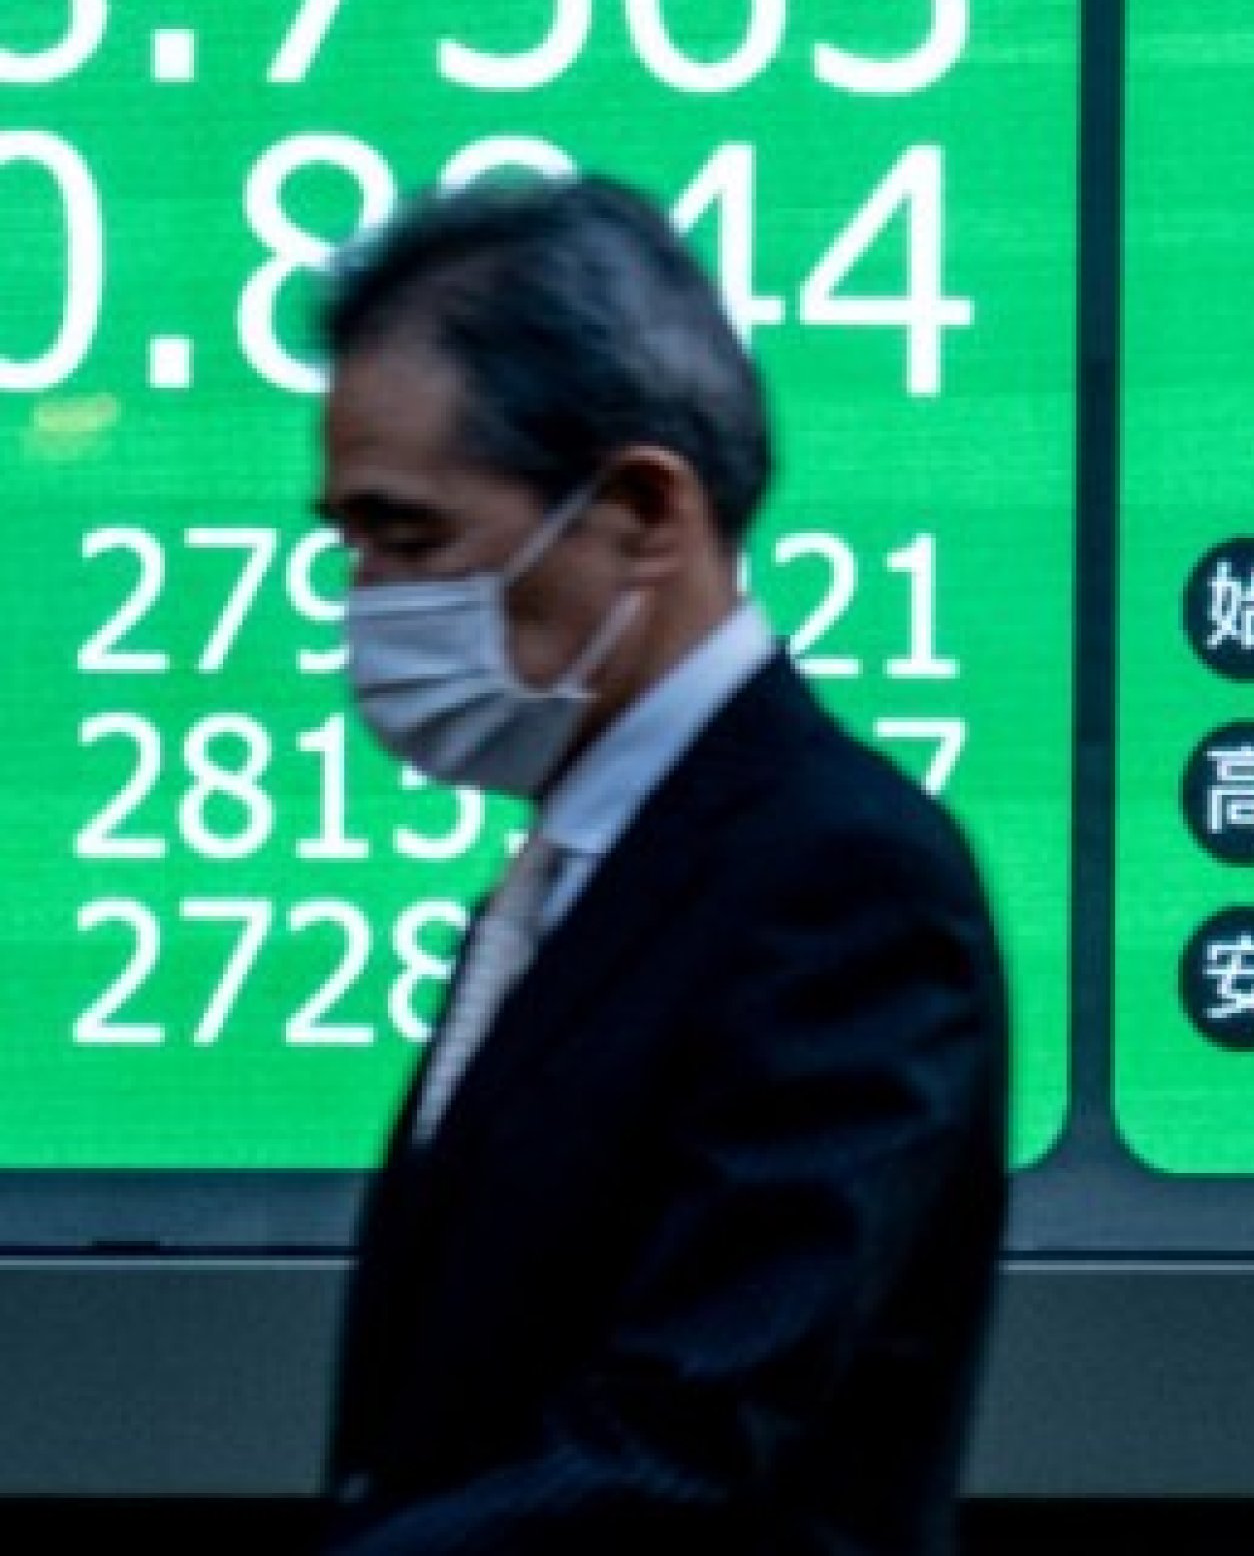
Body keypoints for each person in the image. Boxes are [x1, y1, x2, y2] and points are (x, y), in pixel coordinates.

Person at [311, 168, 1011, 1556]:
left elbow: (689, 1443)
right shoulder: (575, 868)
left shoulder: (844, 881)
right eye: (352, 545)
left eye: (412, 536)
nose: (366, 603)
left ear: (642, 509)